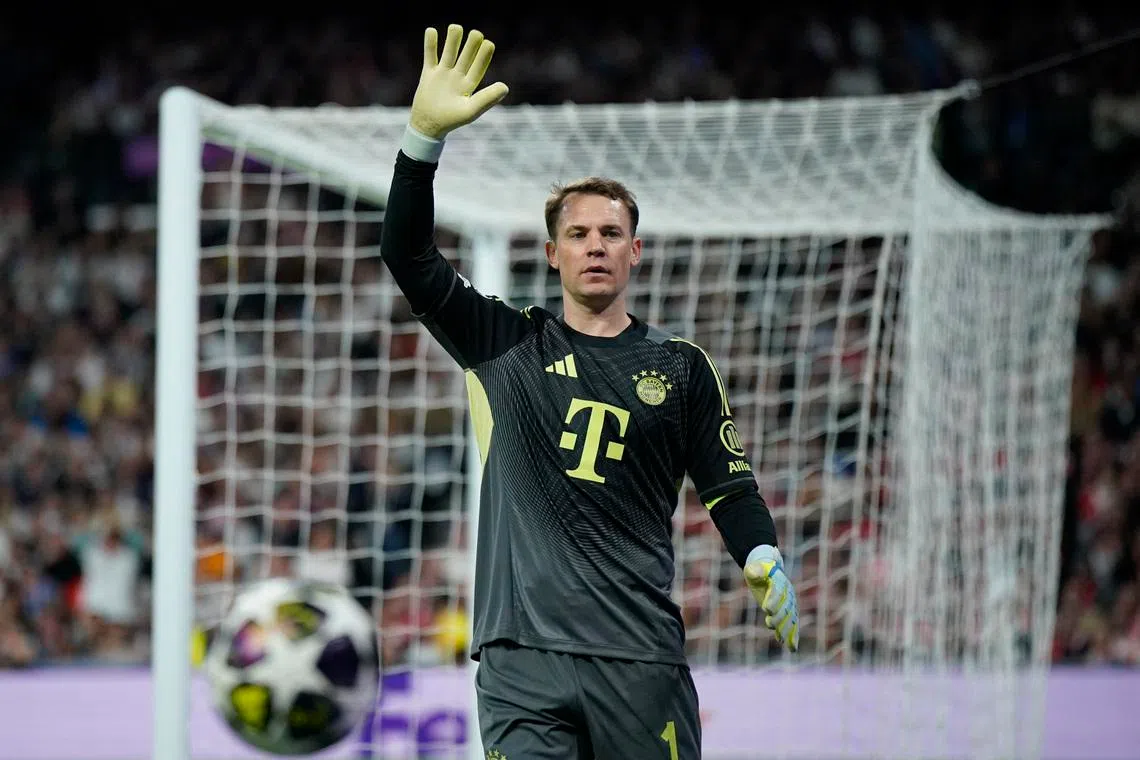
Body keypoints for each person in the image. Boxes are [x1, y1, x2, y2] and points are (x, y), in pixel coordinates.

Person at [380, 24, 800, 759]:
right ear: (552, 253)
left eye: (610, 233)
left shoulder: (682, 366)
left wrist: (761, 553)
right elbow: (407, 256)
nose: (595, 245)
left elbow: (730, 490)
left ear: (636, 252)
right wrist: (422, 141)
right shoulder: (506, 340)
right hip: (522, 660)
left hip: (639, 658)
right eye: (578, 234)